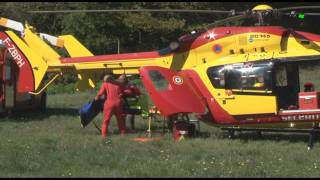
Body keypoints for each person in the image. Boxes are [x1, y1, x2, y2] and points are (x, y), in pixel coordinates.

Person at [95, 74, 126, 138]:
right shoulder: (119, 84)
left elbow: (100, 94)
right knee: (120, 119)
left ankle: (104, 134)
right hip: (118, 103)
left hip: (109, 103)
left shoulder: (105, 84)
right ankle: (122, 133)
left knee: (106, 120)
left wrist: (97, 97)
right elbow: (122, 92)